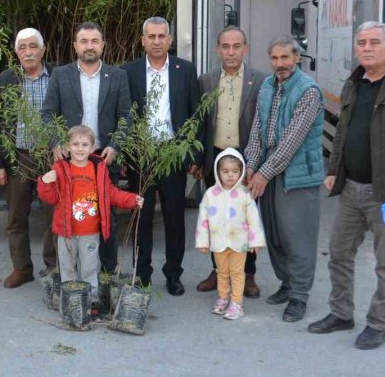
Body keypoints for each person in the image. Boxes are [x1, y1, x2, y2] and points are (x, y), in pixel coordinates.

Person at [308, 22, 385, 350]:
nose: (367, 48)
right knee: (339, 253)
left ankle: (379, 323)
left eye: (374, 42)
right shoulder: (354, 83)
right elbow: (343, 132)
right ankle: (341, 312)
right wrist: (334, 169)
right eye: (361, 42)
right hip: (351, 188)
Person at [245, 36, 324, 323]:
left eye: (285, 58)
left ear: (297, 59)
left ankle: (300, 296)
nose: (280, 64)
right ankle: (287, 284)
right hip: (269, 172)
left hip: (297, 177)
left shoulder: (309, 91)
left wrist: (264, 172)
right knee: (275, 235)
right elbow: (257, 130)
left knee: (298, 238)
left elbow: (292, 140)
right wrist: (251, 165)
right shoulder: (267, 85)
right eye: (275, 59)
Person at [41, 21, 132, 272]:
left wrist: (115, 146)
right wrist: (57, 142)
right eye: (84, 41)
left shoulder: (117, 76)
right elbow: (48, 113)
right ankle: (70, 277)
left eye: (94, 41)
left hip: (103, 159)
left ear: (103, 45)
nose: (89, 46)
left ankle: (105, 275)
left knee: (106, 219)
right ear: (75, 46)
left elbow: (126, 116)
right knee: (69, 216)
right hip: (71, 160)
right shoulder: (61, 74)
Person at [122, 16, 201, 295]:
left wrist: (192, 156)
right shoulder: (128, 72)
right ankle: (142, 273)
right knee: (141, 217)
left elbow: (195, 114)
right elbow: (123, 116)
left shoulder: (185, 70)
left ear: (170, 39)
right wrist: (125, 156)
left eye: (161, 36)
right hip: (141, 155)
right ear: (142, 40)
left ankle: (173, 274)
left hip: (173, 154)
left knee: (174, 217)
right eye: (151, 37)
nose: (156, 42)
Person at [37, 126, 143, 319]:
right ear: (67, 147)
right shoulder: (60, 168)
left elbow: (111, 193)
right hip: (66, 232)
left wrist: (132, 200)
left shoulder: (98, 168)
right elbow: (50, 198)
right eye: (75, 144)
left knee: (89, 268)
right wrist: (44, 181)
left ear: (92, 147)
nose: (79, 149)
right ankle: (70, 302)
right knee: (68, 268)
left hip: (90, 232)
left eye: (85, 144)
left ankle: (91, 300)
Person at [195, 26, 265, 297]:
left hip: (245, 159)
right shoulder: (206, 80)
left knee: (245, 219)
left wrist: (255, 164)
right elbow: (200, 122)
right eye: (226, 46)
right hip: (216, 159)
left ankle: (248, 274)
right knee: (217, 218)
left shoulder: (259, 81)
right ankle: (218, 270)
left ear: (245, 48)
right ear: (218, 50)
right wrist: (199, 160)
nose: (231, 52)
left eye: (237, 46)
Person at [0, 27, 57, 288]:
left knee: (54, 216)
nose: (28, 52)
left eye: (33, 46)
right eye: (23, 48)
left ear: (43, 49)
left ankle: (53, 268)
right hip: (18, 157)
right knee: (16, 217)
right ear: (16, 52)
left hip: (51, 157)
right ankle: (22, 268)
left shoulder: (58, 76)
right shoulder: (5, 79)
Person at [195, 148, 266, 320]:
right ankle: (223, 297)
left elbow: (253, 219)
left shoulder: (245, 194)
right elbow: (203, 220)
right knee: (221, 272)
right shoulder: (211, 194)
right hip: (218, 243)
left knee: (237, 273)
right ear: (217, 172)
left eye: (235, 171)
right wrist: (203, 241)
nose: (230, 176)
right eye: (225, 171)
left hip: (239, 244)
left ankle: (236, 303)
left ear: (241, 172)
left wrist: (255, 241)